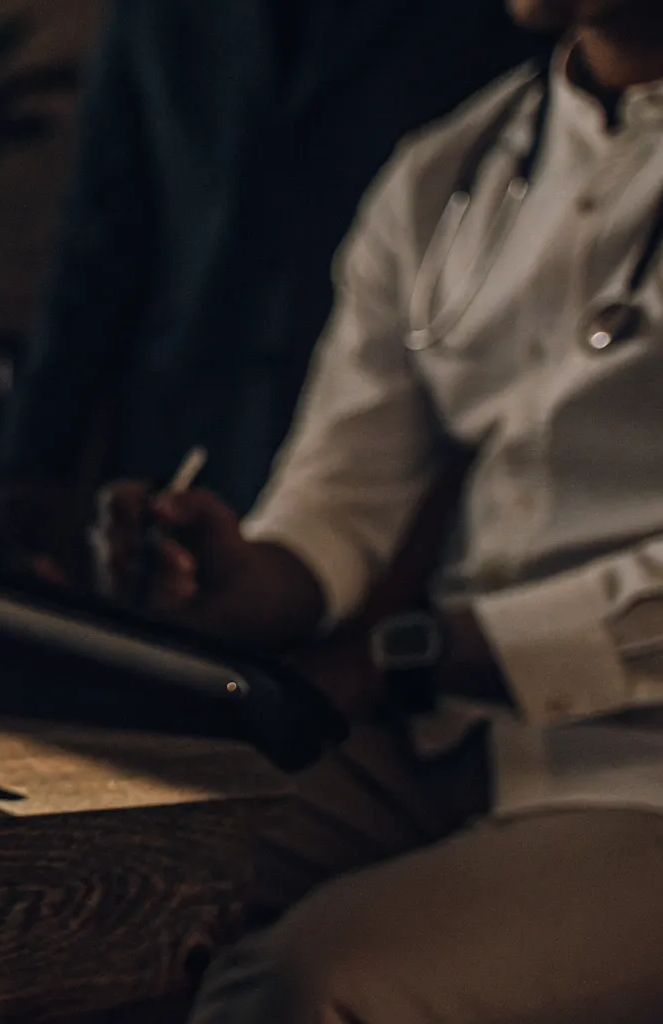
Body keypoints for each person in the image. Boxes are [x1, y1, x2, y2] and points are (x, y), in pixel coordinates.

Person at [95, 1, 663, 1019]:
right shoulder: (451, 166)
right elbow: (341, 497)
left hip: (637, 771)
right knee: (74, 890)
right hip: (448, 741)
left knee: (305, 988)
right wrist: (238, 578)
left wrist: (420, 648)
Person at [0, 0, 542, 571]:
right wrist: (30, 468)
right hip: (177, 441)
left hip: (394, 466)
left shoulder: (501, 18)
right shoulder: (157, 15)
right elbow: (99, 240)